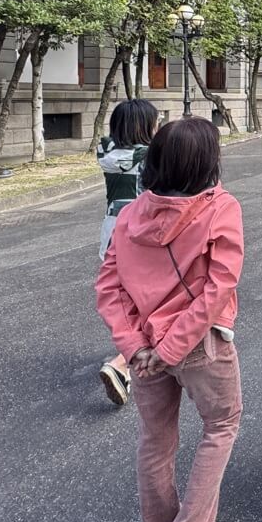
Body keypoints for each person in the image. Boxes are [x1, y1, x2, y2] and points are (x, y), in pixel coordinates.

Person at [95, 117, 245, 522]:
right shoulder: (220, 207)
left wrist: (135, 347)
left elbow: (109, 287)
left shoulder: (130, 214)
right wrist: (171, 347)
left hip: (144, 347)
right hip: (200, 345)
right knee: (221, 425)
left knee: (155, 441)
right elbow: (219, 287)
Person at [95, 98, 159, 406]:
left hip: (111, 230)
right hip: (140, 232)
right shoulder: (150, 157)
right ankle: (122, 362)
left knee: (123, 300)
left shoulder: (105, 152)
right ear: (144, 126)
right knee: (150, 301)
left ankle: (126, 351)